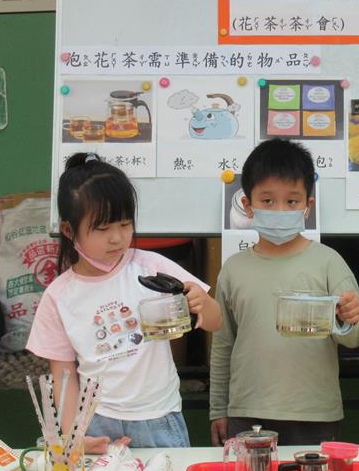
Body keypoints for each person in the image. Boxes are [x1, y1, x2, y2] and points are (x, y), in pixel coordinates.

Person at [27, 153, 221, 451]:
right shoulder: (59, 295)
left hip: (159, 417)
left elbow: (216, 321)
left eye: (125, 224)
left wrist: (202, 303)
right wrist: (73, 435)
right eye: (102, 229)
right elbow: (63, 375)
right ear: (69, 230)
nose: (117, 238)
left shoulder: (151, 266)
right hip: (96, 420)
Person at [210, 139, 359, 446]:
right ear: (248, 205)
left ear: (308, 206)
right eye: (268, 201)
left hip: (315, 412)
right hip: (247, 411)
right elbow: (223, 345)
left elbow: (357, 335)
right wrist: (218, 408)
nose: (280, 210)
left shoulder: (328, 261)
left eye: (292, 201)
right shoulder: (233, 268)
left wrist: (349, 318)